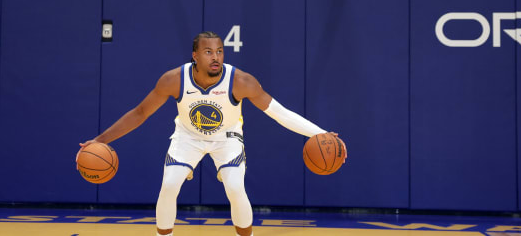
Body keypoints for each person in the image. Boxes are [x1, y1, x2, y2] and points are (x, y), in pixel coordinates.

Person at [77, 31, 345, 236]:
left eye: (219, 51)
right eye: (208, 52)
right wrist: (100, 141)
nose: (215, 56)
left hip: (226, 137)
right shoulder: (173, 79)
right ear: (194, 55)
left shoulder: (241, 81)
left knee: (235, 187)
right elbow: (140, 113)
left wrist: (320, 133)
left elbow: (280, 113)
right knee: (169, 185)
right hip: (187, 137)